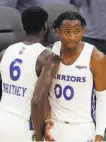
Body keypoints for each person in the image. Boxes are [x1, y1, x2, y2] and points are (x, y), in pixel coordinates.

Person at [32, 11, 106, 142]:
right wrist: (46, 120)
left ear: (83, 31)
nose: (72, 37)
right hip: (54, 128)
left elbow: (102, 100)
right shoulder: (49, 53)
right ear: (57, 31)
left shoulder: (96, 57)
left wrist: (99, 134)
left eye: (77, 31)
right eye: (67, 32)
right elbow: (43, 94)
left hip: (83, 128)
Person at [0, 7, 60, 142]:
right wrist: (39, 137)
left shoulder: (5, 52)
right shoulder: (47, 57)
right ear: (45, 26)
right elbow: (36, 101)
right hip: (24, 127)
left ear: (23, 26)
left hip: (2, 120)